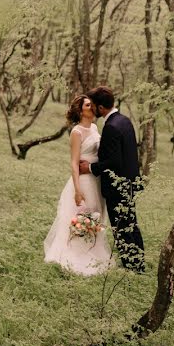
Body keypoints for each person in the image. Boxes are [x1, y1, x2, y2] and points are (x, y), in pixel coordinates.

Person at [43, 95, 113, 275]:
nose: (92, 107)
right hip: (83, 182)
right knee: (81, 216)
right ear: (81, 110)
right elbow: (74, 163)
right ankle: (76, 256)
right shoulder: (77, 132)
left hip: (96, 180)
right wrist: (77, 190)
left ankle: (93, 253)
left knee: (95, 217)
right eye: (88, 105)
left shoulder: (96, 127)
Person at [79, 86, 146, 272]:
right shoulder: (124, 121)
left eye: (93, 106)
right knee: (131, 224)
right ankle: (138, 264)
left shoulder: (111, 127)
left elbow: (113, 162)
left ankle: (132, 268)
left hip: (118, 186)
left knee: (121, 227)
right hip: (130, 183)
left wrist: (91, 167)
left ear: (101, 108)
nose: (91, 109)